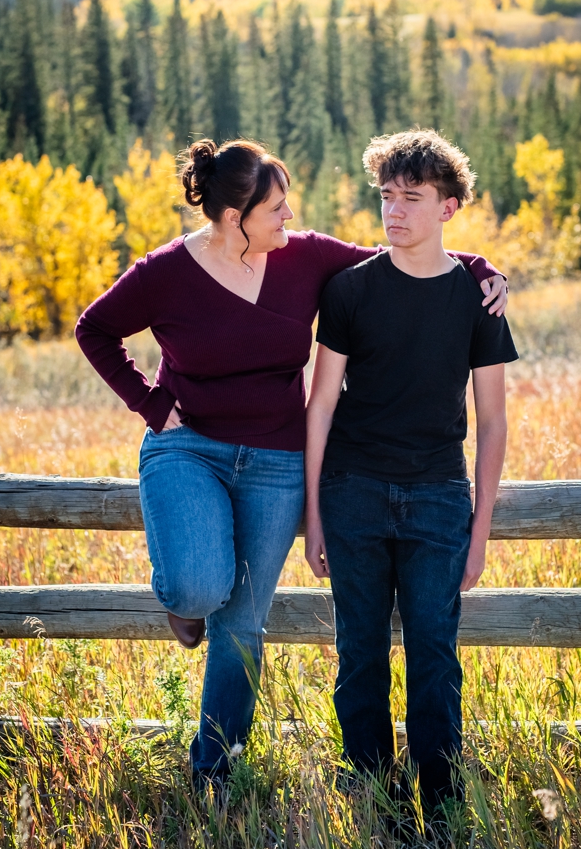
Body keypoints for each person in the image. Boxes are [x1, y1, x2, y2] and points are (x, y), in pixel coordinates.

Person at [74, 138, 507, 793]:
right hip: (188, 445)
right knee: (199, 587)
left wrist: (478, 266)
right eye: (275, 209)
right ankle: (184, 600)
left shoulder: (303, 256)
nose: (289, 217)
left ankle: (213, 773)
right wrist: (151, 402)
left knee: (244, 623)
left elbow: (403, 258)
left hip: (277, 455)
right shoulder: (165, 272)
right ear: (231, 218)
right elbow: (94, 328)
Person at [303, 130, 515, 825]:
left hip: (437, 498)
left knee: (433, 658)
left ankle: (443, 818)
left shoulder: (477, 298)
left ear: (449, 205)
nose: (395, 211)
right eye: (387, 196)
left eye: (412, 197)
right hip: (354, 492)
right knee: (359, 656)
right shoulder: (351, 290)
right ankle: (375, 812)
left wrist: (478, 533)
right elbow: (322, 401)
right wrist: (314, 513)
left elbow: (491, 422)